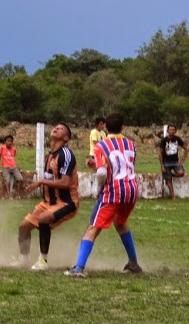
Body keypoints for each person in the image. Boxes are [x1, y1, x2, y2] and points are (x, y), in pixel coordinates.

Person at [66, 113, 142, 278]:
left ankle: (78, 267)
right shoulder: (131, 144)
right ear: (123, 127)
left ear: (105, 127)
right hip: (131, 189)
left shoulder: (101, 145)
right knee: (120, 223)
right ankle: (133, 263)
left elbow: (102, 173)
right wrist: (98, 165)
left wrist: (98, 189)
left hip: (114, 191)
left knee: (93, 227)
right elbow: (120, 165)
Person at [18, 123, 78, 270]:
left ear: (66, 138)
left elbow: (65, 183)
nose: (56, 128)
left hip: (66, 202)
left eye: (61, 129)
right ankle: (24, 259)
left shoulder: (66, 155)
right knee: (23, 227)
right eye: (55, 127)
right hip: (48, 202)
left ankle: (43, 261)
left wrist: (41, 182)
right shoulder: (49, 155)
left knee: (44, 219)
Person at [158, 125, 186, 200]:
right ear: (168, 131)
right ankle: (173, 196)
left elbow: (186, 149)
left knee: (181, 173)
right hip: (166, 163)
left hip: (175, 162)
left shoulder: (178, 139)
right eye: (170, 130)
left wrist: (182, 160)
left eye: (173, 130)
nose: (172, 131)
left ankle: (170, 175)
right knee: (168, 180)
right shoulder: (164, 140)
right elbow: (160, 153)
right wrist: (162, 166)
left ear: (175, 131)